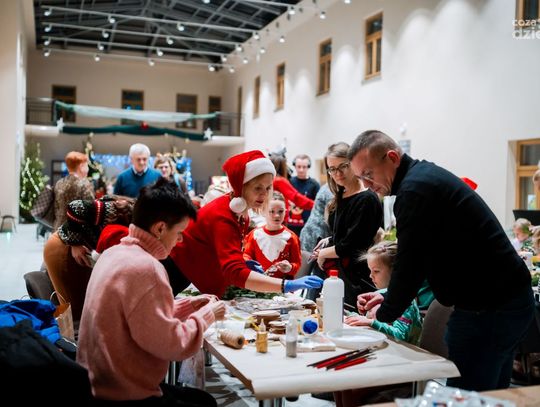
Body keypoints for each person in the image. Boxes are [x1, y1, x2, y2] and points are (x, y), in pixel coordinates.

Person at [349, 129, 535, 391]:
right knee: (491, 395)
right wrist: (388, 296)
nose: (367, 185)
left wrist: (384, 313)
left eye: (368, 174)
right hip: (505, 300)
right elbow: (428, 258)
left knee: (467, 396)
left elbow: (410, 264)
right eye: (360, 178)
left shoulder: (414, 191)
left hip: (490, 307)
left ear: (392, 158)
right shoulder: (422, 179)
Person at [77, 178, 226, 406]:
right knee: (205, 401)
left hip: (96, 382)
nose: (180, 240)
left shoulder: (114, 253)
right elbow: (174, 344)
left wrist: (190, 305)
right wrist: (208, 316)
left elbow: (140, 314)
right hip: (123, 393)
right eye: (179, 232)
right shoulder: (147, 269)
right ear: (160, 228)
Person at [169, 150, 323, 298]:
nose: (264, 194)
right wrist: (286, 285)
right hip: (173, 271)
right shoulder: (223, 216)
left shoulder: (241, 214)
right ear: (241, 187)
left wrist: (243, 262)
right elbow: (234, 272)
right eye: (257, 188)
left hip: (186, 272)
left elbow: (224, 254)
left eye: (268, 188)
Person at [335, 240, 422, 407]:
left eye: (376, 271)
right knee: (339, 380)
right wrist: (350, 316)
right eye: (370, 270)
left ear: (395, 272)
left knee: (348, 385)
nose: (370, 276)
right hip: (384, 357)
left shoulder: (405, 302)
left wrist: (371, 322)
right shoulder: (381, 295)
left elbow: (400, 336)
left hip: (403, 364)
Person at [310, 142, 383, 306]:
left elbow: (353, 245)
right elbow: (346, 231)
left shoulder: (366, 199)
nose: (337, 173)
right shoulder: (341, 194)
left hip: (357, 278)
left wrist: (324, 253)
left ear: (353, 163)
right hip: (339, 275)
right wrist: (330, 240)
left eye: (343, 166)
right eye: (332, 169)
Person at [243, 191, 302, 279]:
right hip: (258, 282)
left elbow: (297, 264)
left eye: (280, 211)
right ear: (263, 211)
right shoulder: (255, 234)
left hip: (281, 284)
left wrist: (290, 268)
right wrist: (249, 263)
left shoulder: (291, 237)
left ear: (286, 212)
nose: (277, 215)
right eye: (271, 211)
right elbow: (246, 255)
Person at [269, 152, 314, 233]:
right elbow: (296, 198)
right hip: (279, 220)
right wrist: (316, 205)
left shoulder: (270, 180)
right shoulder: (279, 181)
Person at [53, 151, 94, 229]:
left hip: (58, 228)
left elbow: (56, 208)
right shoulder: (85, 184)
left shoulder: (59, 183)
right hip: (76, 230)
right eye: (86, 165)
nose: (88, 169)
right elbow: (90, 210)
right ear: (81, 166)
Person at [290, 154, 320, 235]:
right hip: (290, 225)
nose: (301, 170)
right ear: (294, 166)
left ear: (308, 167)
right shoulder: (289, 182)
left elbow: (318, 206)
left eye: (304, 167)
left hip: (307, 226)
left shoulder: (314, 184)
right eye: (299, 166)